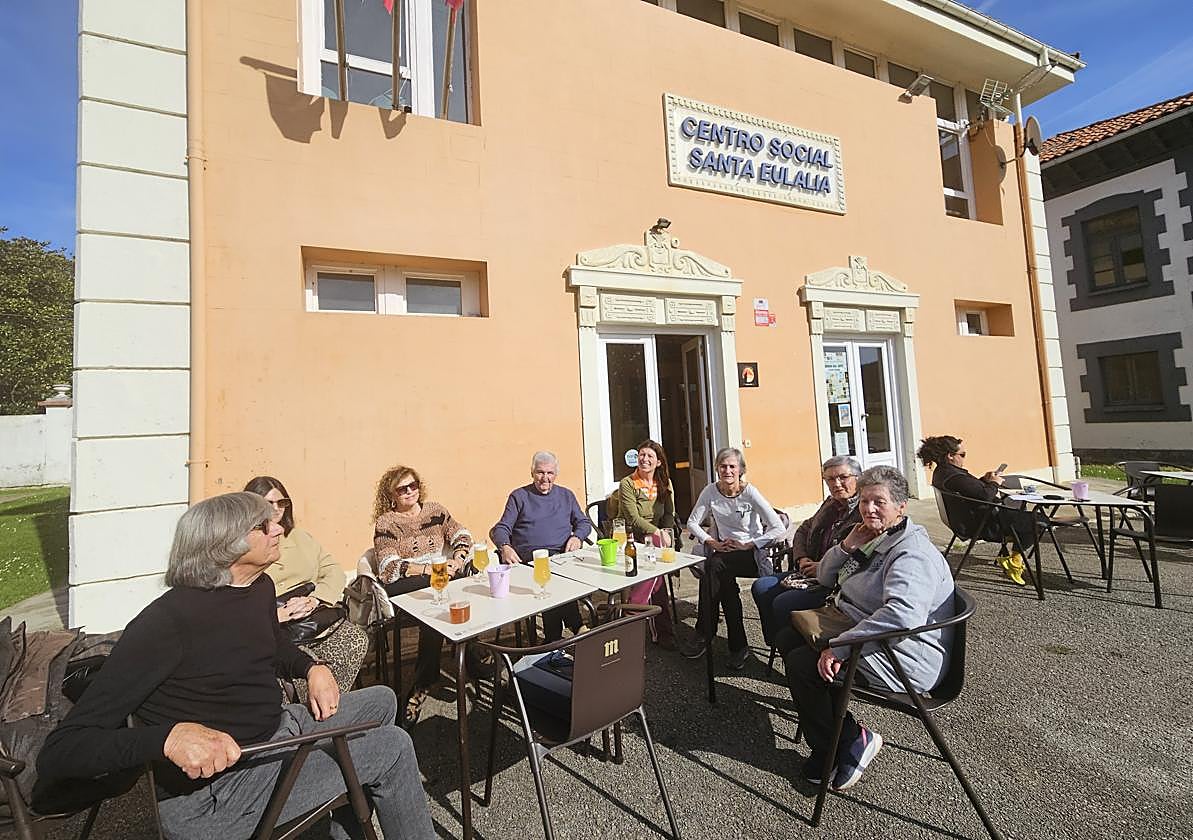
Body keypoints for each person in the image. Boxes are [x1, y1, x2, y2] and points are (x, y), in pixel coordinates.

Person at [34, 492, 435, 840]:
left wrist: (312, 667)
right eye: (263, 525)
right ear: (223, 545)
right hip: (219, 793)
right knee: (393, 747)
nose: (278, 528)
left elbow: (272, 643)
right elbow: (63, 750)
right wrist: (167, 739)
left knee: (382, 700)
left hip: (275, 731)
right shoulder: (167, 623)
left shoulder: (257, 588)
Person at [783, 467, 955, 792]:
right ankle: (842, 732)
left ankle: (839, 745)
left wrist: (839, 647)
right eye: (864, 501)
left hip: (902, 656)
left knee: (803, 665)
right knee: (787, 637)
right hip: (865, 631)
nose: (869, 509)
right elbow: (825, 577)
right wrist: (849, 543)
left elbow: (903, 617)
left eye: (880, 502)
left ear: (901, 506)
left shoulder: (911, 553)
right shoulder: (876, 538)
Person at [244, 475, 368, 700]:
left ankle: (331, 708)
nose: (276, 509)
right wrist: (277, 615)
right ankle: (308, 716)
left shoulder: (300, 537)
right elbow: (239, 595)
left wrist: (315, 599)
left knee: (356, 639)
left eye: (281, 503)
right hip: (273, 624)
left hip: (311, 616)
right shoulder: (246, 544)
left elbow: (332, 570)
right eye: (268, 503)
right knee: (301, 666)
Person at [372, 465, 472, 727]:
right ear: (391, 493)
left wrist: (458, 560)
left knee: (462, 592)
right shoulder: (387, 522)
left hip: (441, 575)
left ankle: (458, 663)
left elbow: (461, 534)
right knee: (438, 607)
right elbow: (389, 567)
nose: (409, 492)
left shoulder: (436, 511)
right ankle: (426, 685)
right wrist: (430, 570)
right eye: (402, 488)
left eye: (413, 485)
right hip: (407, 581)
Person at [681, 447, 786, 669]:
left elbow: (778, 527)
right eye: (723, 466)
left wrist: (749, 543)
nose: (727, 471)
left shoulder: (750, 493)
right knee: (722, 578)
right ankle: (738, 647)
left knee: (714, 567)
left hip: (751, 554)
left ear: (740, 470)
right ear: (717, 468)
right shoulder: (710, 491)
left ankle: (704, 632)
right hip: (723, 551)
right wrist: (711, 541)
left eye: (732, 466)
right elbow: (692, 522)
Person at [750, 456, 862, 651]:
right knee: (761, 586)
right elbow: (803, 529)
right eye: (829, 479)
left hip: (835, 583)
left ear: (858, 478)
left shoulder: (864, 510)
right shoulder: (830, 504)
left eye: (843, 477)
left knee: (783, 603)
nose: (836, 484)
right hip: (808, 573)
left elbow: (859, 555)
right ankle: (778, 644)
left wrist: (822, 567)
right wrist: (802, 558)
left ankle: (798, 650)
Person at [490, 451, 592, 641]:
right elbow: (501, 528)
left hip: (562, 556)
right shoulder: (519, 496)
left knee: (557, 578)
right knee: (551, 580)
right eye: (540, 473)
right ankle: (575, 628)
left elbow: (584, 523)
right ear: (532, 473)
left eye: (550, 473)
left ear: (556, 474)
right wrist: (505, 546)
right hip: (530, 558)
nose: (545, 478)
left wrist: (577, 537)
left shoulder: (566, 495)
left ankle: (554, 639)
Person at [917, 435, 1026, 585]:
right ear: (950, 456)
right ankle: (1014, 561)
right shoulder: (954, 476)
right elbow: (985, 496)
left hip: (972, 520)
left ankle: (1014, 557)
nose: (964, 459)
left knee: (1026, 518)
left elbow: (971, 491)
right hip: (983, 525)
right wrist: (994, 484)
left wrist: (985, 480)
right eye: (962, 455)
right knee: (1037, 521)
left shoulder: (944, 473)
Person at [619, 439, 679, 649]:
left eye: (649, 456)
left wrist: (668, 532)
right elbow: (633, 518)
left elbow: (669, 514)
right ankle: (661, 630)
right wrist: (659, 533)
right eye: (641, 455)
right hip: (630, 539)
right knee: (658, 574)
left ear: (659, 462)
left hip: (655, 541)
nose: (644, 459)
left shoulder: (665, 483)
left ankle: (632, 613)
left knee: (656, 574)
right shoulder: (627, 483)